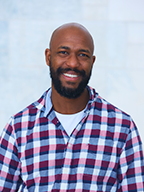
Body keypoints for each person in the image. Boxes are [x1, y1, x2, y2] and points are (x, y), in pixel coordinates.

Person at [0, 23, 144, 192]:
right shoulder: (18, 128)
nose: (73, 63)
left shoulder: (122, 128)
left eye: (83, 55)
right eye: (64, 52)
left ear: (92, 61)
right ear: (48, 57)